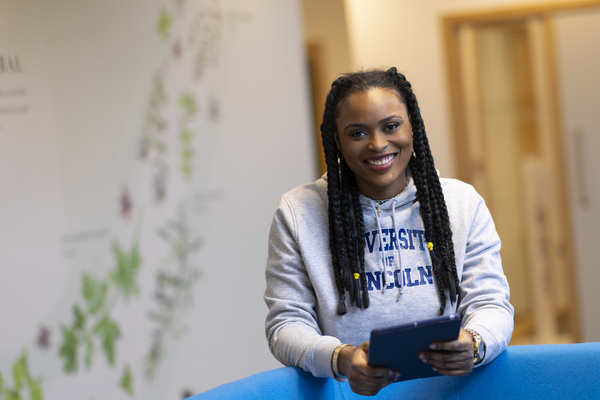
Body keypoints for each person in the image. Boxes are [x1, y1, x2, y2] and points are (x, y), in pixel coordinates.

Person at [264, 67, 513, 396]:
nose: (378, 144)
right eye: (357, 133)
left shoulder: (462, 203)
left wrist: (475, 341)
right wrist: (341, 358)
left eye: (391, 126)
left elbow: (491, 302)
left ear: (413, 127)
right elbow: (285, 324)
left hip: (452, 392)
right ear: (337, 140)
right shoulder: (298, 213)